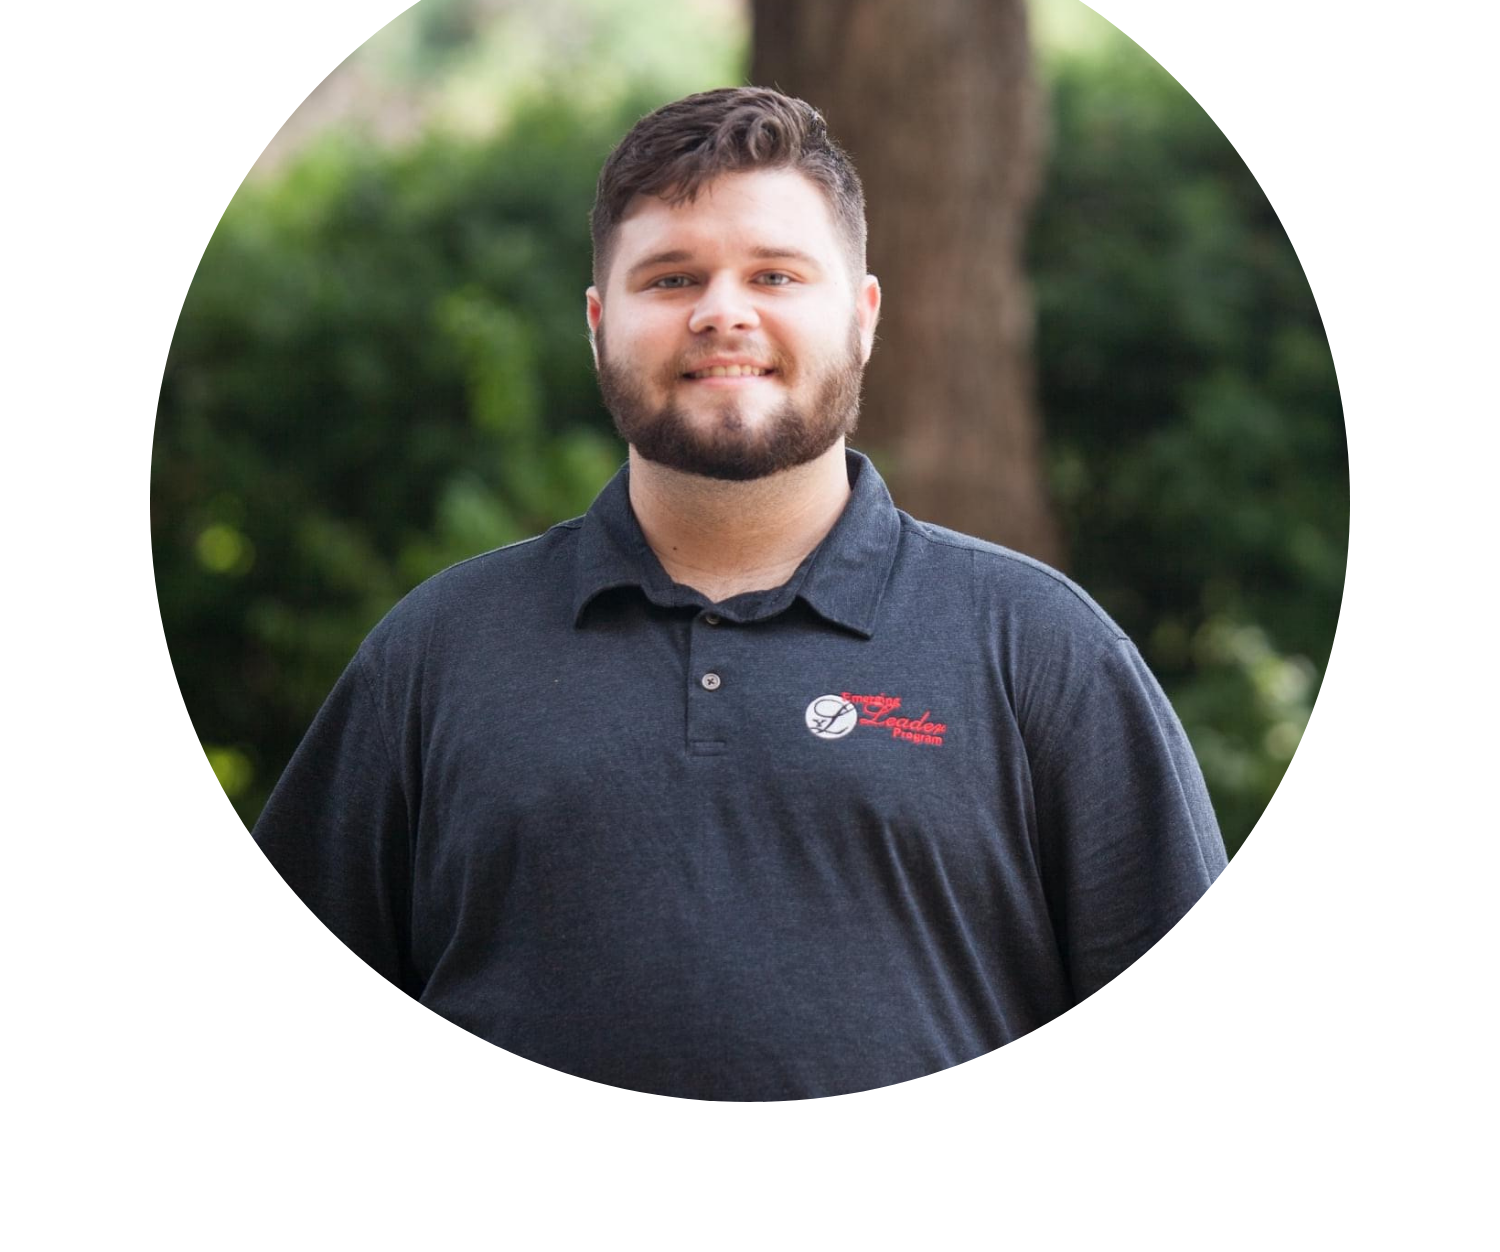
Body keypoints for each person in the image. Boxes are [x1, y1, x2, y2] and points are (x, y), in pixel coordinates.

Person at [253, 86, 1227, 1101]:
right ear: (598, 325)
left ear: (861, 317)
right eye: (672, 278)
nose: (724, 311)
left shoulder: (1044, 652)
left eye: (775, 273)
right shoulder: (436, 654)